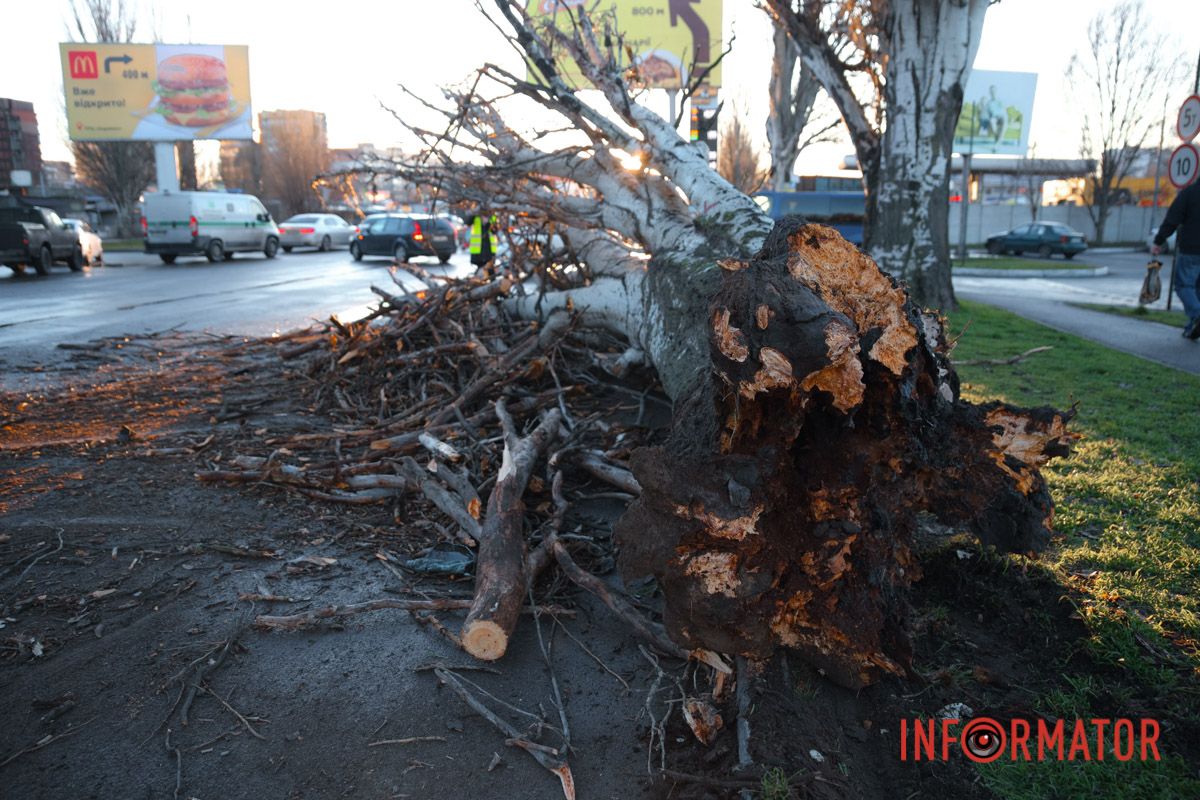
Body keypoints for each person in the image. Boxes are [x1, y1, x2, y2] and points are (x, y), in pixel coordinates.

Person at [1151, 179, 1200, 340]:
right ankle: (1191, 327)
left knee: (1184, 285)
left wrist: (1159, 240)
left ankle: (1197, 315)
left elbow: (1172, 219)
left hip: (1192, 249)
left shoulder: (1189, 193)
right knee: (1196, 290)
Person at [467, 210, 499, 274]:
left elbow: (495, 231)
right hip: (478, 250)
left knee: (490, 270)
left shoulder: (493, 217)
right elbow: (468, 222)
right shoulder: (475, 217)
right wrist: (474, 212)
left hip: (490, 250)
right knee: (480, 271)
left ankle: (491, 281)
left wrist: (487, 223)